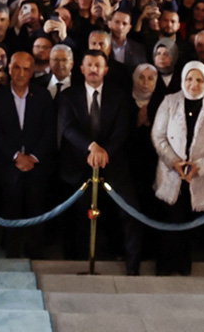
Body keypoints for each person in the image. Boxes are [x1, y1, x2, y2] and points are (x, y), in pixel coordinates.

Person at [56, 49, 144, 274]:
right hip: (79, 163)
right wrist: (91, 147)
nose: (94, 69)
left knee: (129, 212)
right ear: (81, 68)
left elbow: (122, 129)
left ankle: (133, 266)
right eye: (89, 65)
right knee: (80, 216)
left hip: (113, 162)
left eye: (98, 65)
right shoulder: (68, 96)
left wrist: (104, 152)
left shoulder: (119, 95)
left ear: (106, 70)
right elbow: (67, 128)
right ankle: (82, 263)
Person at [151, 61, 204, 276]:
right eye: (189, 79)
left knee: (190, 225)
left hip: (199, 176)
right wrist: (173, 162)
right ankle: (165, 267)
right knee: (169, 221)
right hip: (171, 174)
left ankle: (184, 266)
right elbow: (158, 136)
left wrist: (201, 166)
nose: (193, 84)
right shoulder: (169, 102)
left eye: (199, 80)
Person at [0, 52, 55, 258]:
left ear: (32, 71)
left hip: (37, 164)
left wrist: (33, 158)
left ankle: (36, 248)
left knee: (37, 206)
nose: (21, 73)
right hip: (9, 164)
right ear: (9, 69)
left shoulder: (43, 95)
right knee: (10, 205)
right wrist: (16, 156)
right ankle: (11, 247)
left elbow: (50, 130)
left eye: (26, 69)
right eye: (16, 67)